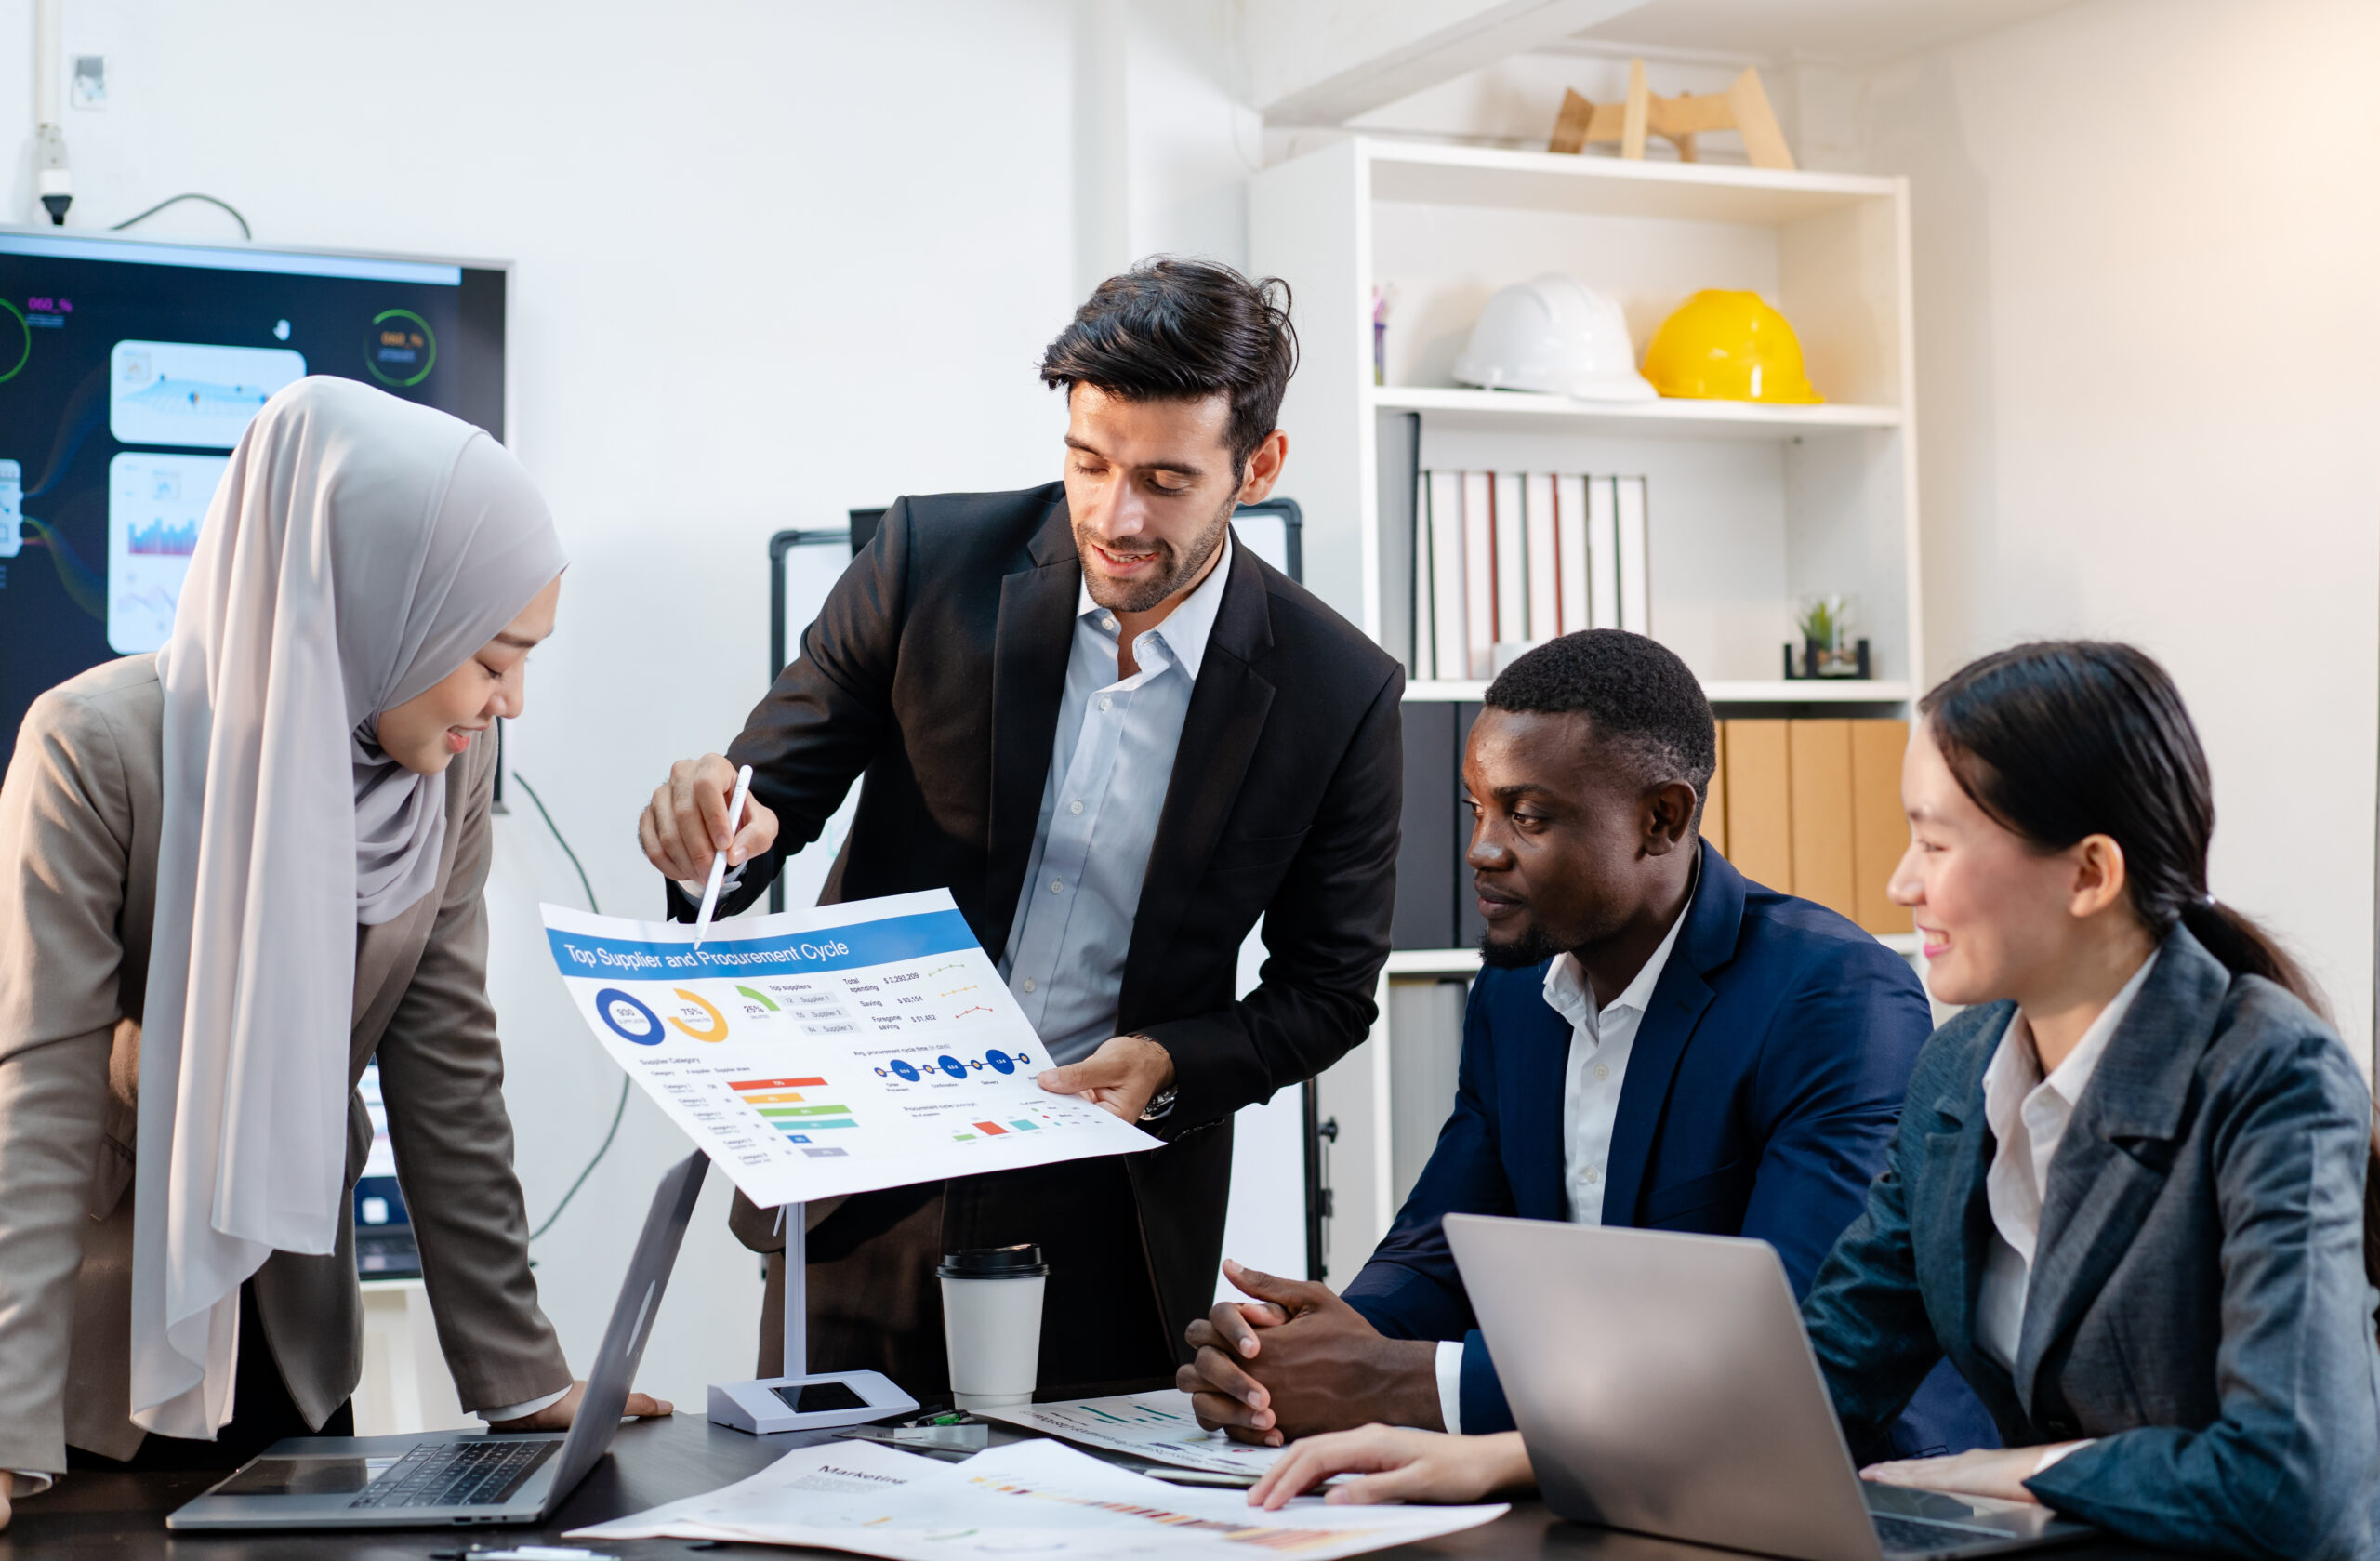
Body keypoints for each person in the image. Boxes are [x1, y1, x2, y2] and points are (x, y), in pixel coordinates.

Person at [1241, 641, 2380, 1561]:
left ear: (2087, 873)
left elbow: (2295, 1481)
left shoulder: (2269, 1074)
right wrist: (1504, 1452)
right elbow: (1809, 1371)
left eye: (1936, 839)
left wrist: (2018, 1466)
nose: (1901, 881)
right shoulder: (1966, 1065)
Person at [636, 258, 1403, 1399]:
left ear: (1259, 468)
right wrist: (721, 830)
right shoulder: (925, 565)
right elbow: (770, 797)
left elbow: (1329, 989)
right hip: (865, 1185)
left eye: (1164, 479)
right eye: (1088, 463)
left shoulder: (1338, 691)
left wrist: (1170, 1063)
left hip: (1114, 1219)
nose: (1114, 516)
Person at [0, 377, 663, 1535]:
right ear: (379, 603)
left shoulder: (444, 775)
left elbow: (446, 1066)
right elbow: (40, 1100)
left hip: (298, 1345)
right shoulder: (97, 749)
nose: (512, 701)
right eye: (494, 657)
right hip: (87, 1368)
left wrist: (524, 1380)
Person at [1181, 630, 1983, 1454]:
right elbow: (1442, 1241)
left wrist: (1392, 1378)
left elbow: (1783, 1341)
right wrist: (1298, 1348)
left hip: (1847, 1489)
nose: (1481, 849)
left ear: (1660, 819)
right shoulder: (1516, 989)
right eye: (1477, 808)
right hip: (1593, 1467)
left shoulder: (1834, 996)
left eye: (1526, 816)